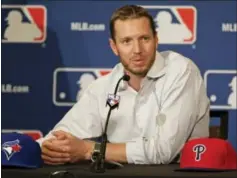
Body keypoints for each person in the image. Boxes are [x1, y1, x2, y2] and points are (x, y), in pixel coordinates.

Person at [37, 5, 210, 165]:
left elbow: (163, 152)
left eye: (144, 38)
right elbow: (63, 133)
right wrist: (50, 147)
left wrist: (89, 149)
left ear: (156, 40)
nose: (137, 50)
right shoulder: (104, 86)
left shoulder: (180, 71)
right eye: (127, 41)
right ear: (114, 46)